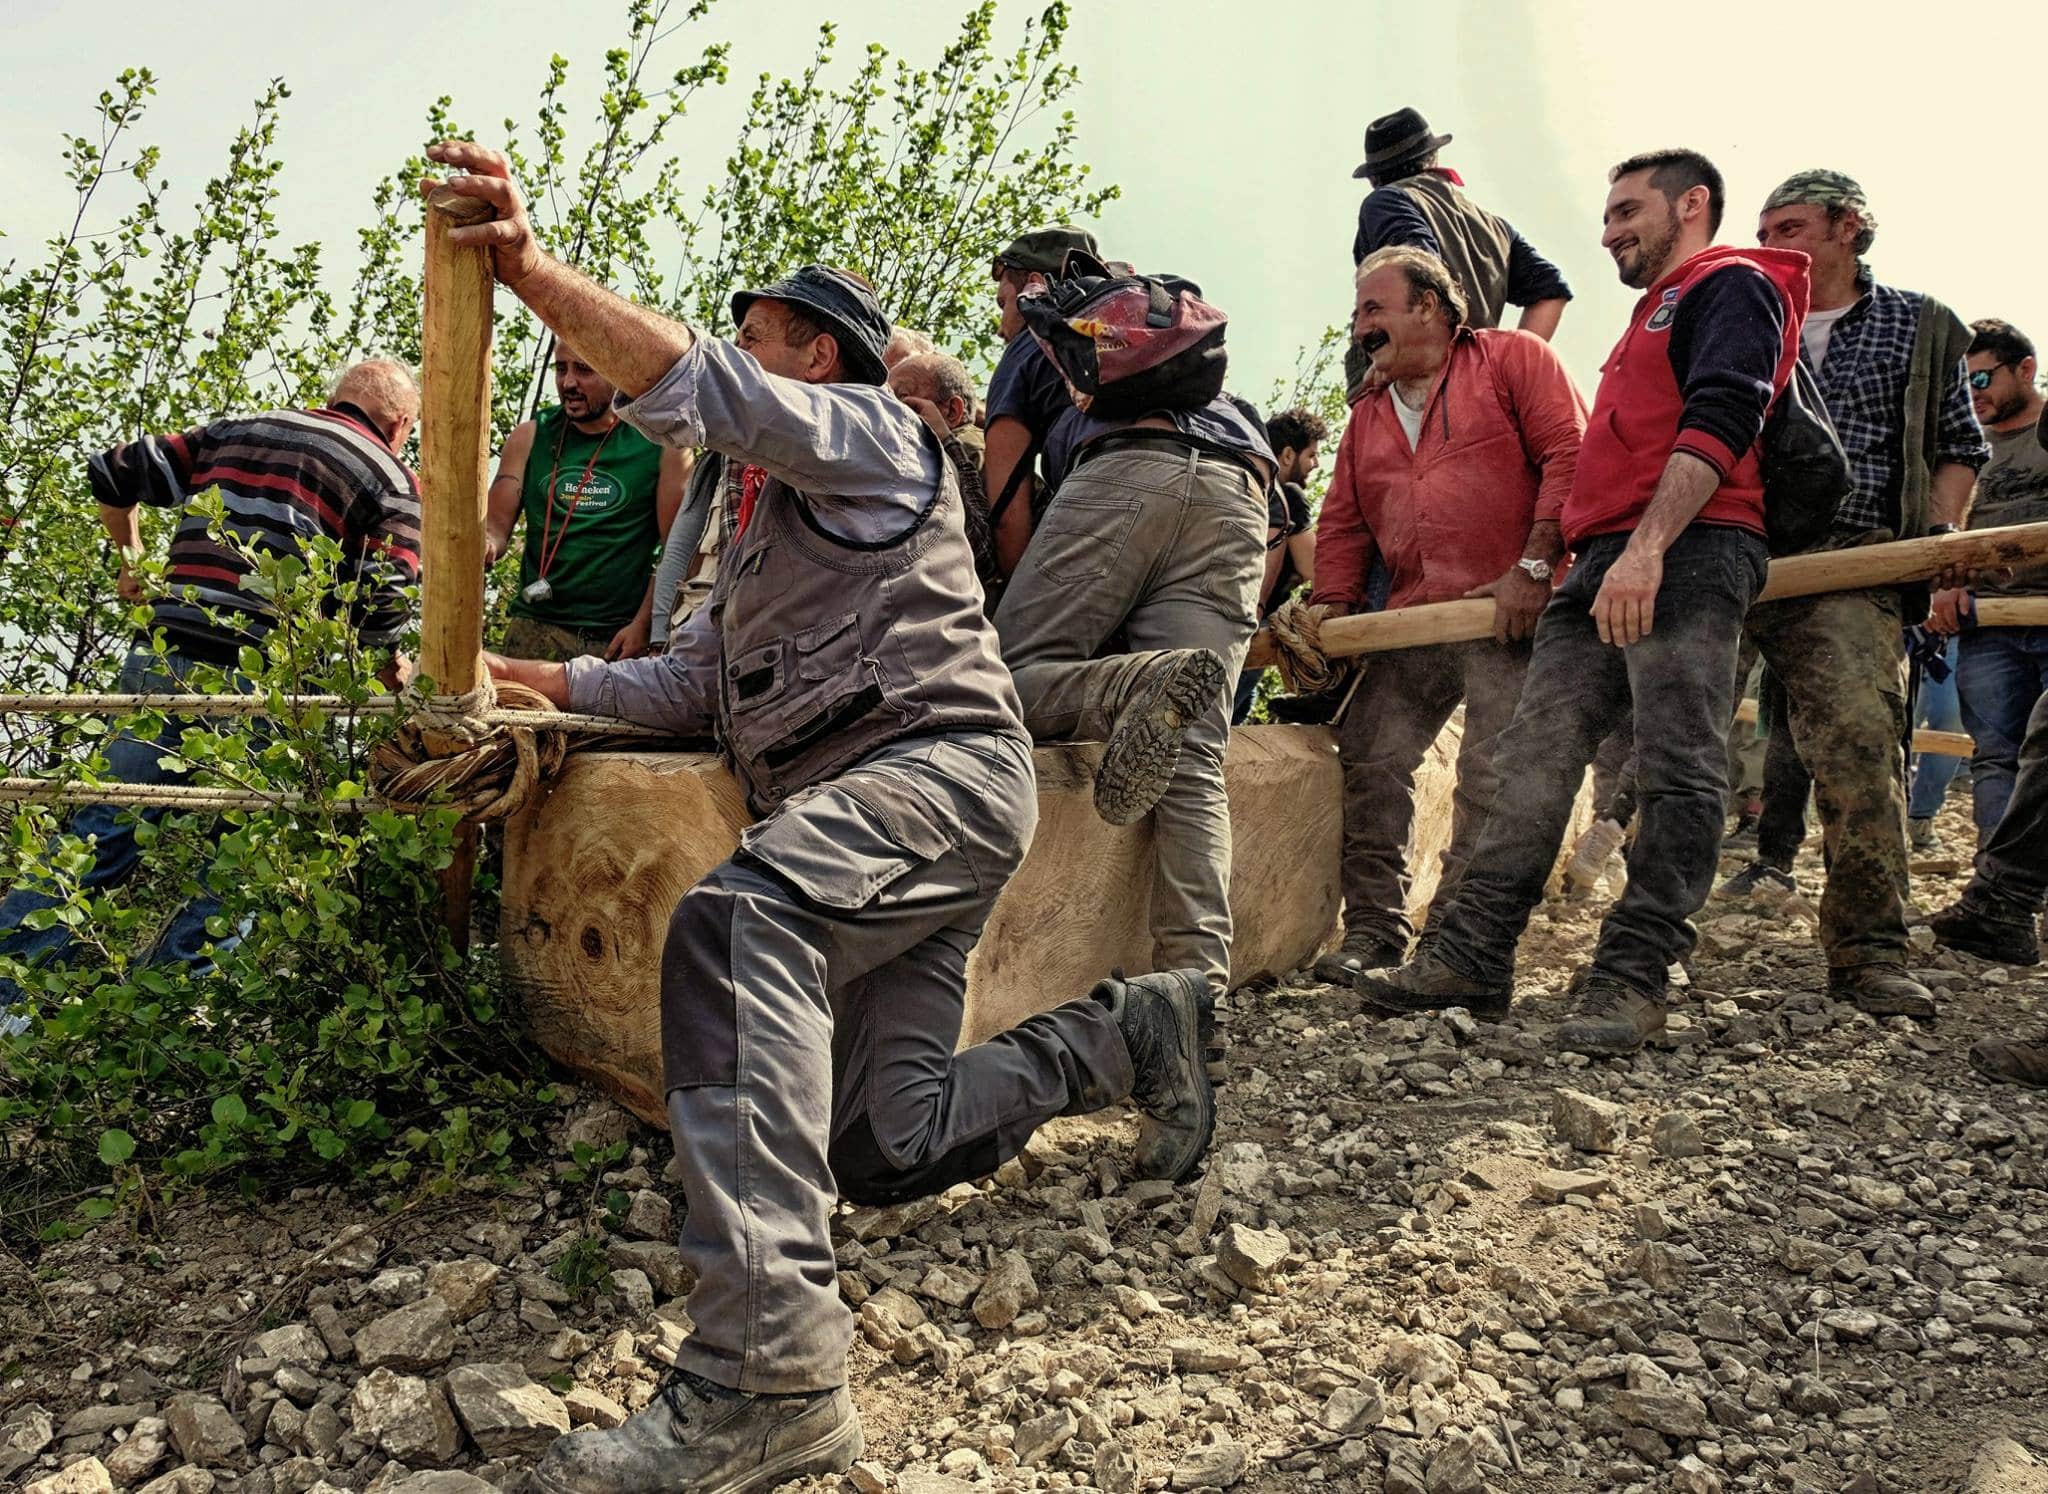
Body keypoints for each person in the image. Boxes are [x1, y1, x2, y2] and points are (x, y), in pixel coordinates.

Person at [423, 142, 1216, 1494]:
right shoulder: (772, 534)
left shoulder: (874, 436)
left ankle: (765, 1376)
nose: (738, 350)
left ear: (824, 361)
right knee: (876, 1139)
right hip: (891, 821)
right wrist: (508, 680)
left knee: (738, 926)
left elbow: (701, 390)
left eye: (762, 336)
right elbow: (685, 683)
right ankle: (1120, 1036)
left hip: (932, 775)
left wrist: (529, 272)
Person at [1355, 149, 1803, 1056]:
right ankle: (1474, 954)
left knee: (1680, 765)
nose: (1609, 233)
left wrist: (1647, 550)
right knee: (1533, 761)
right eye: (1605, 217)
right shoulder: (1646, 318)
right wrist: (1570, 555)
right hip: (1599, 558)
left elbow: (1725, 415)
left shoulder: (1732, 285)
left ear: (1693, 205)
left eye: (1628, 212)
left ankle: (1633, 977)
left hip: (1688, 548)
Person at [0, 361, 422, 1009]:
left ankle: (6, 997)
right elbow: (383, 601)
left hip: (164, 662)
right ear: (399, 426)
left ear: (335, 398)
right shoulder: (391, 476)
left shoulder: (243, 428)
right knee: (242, 867)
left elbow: (109, 471)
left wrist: (132, 561)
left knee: (101, 829)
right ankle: (157, 1019)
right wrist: (386, 662)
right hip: (271, 688)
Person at [1716, 170, 1989, 1018]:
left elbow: (1957, 444)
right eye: (1762, 227)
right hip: (1736, 551)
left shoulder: (1923, 322)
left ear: (1848, 227)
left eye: (1789, 224)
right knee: (1667, 741)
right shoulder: (1745, 317)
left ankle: (1869, 952)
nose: (1772, 241)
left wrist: (1939, 539)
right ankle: (1643, 942)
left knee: (1862, 746)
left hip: (1856, 560)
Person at [986, 264, 1274, 1001]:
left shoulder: (1047, 330)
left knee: (997, 682)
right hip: (1240, 490)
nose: (999, 317)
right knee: (1196, 750)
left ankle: (1130, 687)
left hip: (1123, 466)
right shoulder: (1177, 329)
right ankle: (1195, 995)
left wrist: (1023, 597)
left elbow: (1007, 492)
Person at [1305, 245, 1585, 984]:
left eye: (1374, 308)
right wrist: (1331, 609)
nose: (1360, 325)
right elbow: (1343, 523)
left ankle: (1455, 946)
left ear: (1430, 307)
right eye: (1358, 311)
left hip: (1509, 617)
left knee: (1492, 773)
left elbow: (1569, 455)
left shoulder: (1513, 360)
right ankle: (1372, 932)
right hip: (1413, 620)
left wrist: (1532, 568)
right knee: (1370, 754)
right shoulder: (1367, 412)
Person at [1345, 107, 1573, 400]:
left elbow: (1414, 267)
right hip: (1476, 392)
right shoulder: (1495, 226)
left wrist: (1388, 364)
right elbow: (1550, 293)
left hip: (1414, 390)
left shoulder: (1385, 201)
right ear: (1433, 158)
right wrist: (1504, 368)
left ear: (1374, 178)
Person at [486, 345, 688, 662]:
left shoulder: (662, 444)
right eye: (561, 368)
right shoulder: (530, 436)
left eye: (583, 369)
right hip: (532, 632)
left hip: (614, 643)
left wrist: (644, 625)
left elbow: (675, 549)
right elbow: (494, 529)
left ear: (617, 372)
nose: (568, 383)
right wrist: (481, 544)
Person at [1929, 318, 2048, 842]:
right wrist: (1943, 585)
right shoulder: (1961, 451)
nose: (1972, 395)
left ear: (2026, 369)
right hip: (1986, 626)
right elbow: (1943, 533)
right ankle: (1993, 895)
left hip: (2045, 616)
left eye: (1982, 379)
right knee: (1996, 759)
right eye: (1962, 383)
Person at [983, 223, 1100, 575]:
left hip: (1116, 487)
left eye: (1003, 303)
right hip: (1231, 485)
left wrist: (1012, 593)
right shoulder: (1138, 328)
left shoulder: (1032, 341)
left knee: (1024, 629)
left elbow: (1007, 513)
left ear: (1036, 283)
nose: (1001, 327)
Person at [1231, 405, 1325, 722]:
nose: (1316, 464)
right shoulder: (1290, 496)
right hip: (1255, 626)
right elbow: (1314, 568)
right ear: (1287, 455)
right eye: (1311, 455)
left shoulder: (1244, 488)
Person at [888, 350, 1000, 597]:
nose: (887, 408)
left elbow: (979, 554)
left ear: (951, 411)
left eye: (903, 396)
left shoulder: (968, 446)